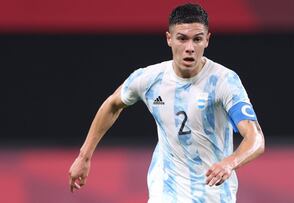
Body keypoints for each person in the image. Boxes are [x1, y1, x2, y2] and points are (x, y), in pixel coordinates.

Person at [68, 3, 265, 203]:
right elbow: (112, 104)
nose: (190, 48)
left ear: (207, 40)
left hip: (214, 193)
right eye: (182, 38)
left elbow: (255, 138)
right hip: (166, 191)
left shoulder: (224, 81)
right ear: (169, 39)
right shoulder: (150, 78)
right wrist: (84, 157)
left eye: (197, 39)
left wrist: (230, 163)